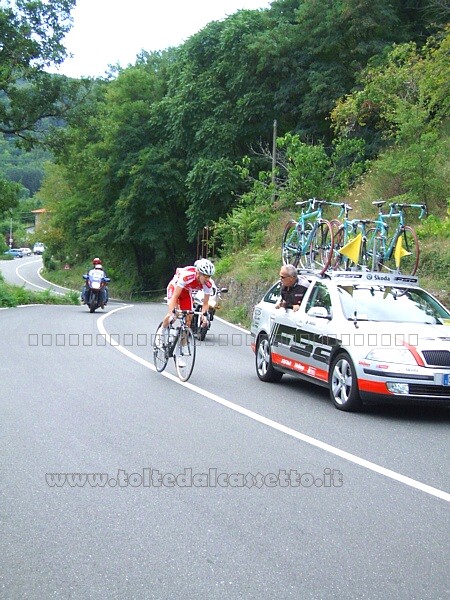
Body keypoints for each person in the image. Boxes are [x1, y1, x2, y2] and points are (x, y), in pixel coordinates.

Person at [162, 258, 215, 329]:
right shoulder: (187, 276)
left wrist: (204, 316)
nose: (207, 279)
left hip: (186, 292)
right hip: (174, 288)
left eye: (209, 276)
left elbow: (205, 303)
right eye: (205, 276)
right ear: (198, 273)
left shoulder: (208, 284)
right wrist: (172, 313)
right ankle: (161, 331)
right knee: (174, 315)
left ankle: (184, 339)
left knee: (189, 319)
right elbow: (175, 297)